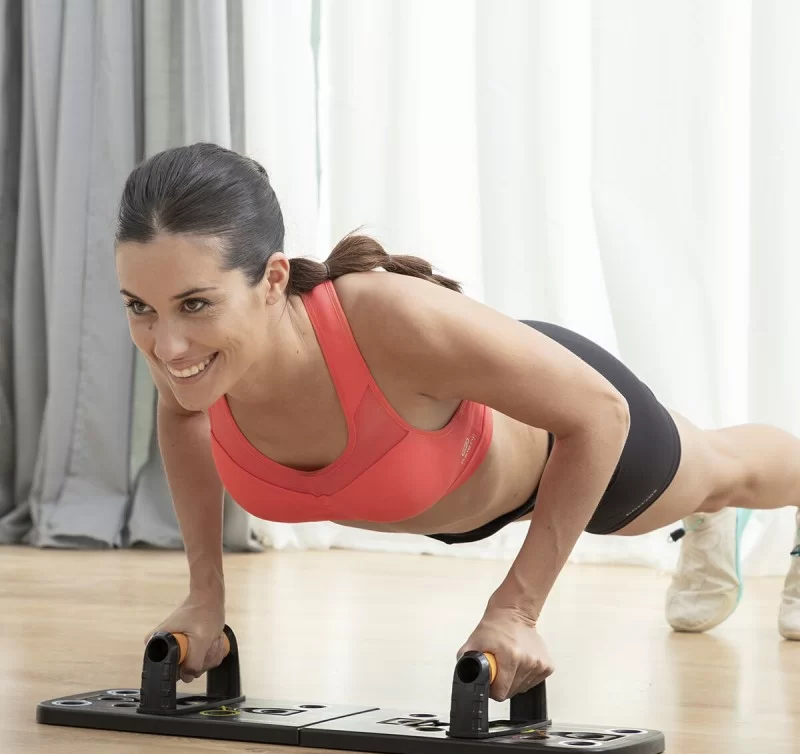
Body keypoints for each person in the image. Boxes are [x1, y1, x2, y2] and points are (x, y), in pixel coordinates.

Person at [114, 143, 800, 703]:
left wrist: (516, 611)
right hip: (460, 467)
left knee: (723, 474)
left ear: (271, 280)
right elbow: (180, 417)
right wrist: (204, 595)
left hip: (564, 439)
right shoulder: (193, 362)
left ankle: (722, 511)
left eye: (195, 304)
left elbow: (598, 414)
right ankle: (712, 520)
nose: (165, 345)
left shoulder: (388, 318)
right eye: (139, 306)